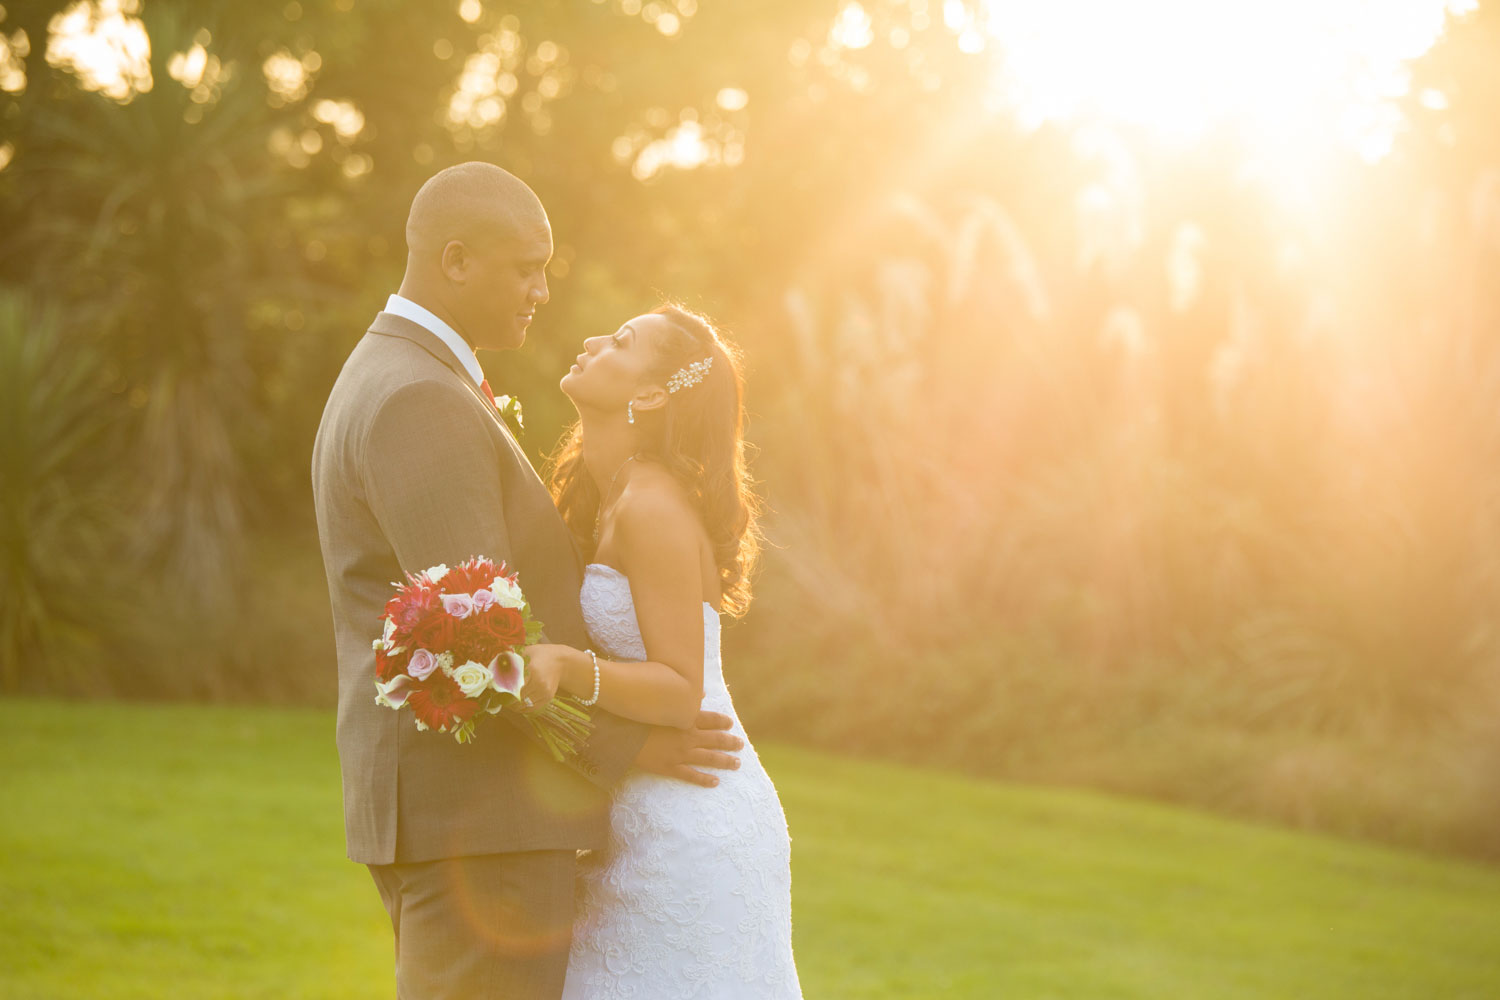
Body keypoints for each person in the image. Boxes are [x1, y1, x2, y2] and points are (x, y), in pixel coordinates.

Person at [310, 162, 742, 1000]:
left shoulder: (405, 375)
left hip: (467, 819)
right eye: (526, 267)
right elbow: (482, 649)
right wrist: (639, 750)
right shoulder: (419, 398)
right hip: (484, 823)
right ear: (457, 259)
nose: (542, 291)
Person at [520, 304, 803, 998]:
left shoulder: (652, 504)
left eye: (619, 342)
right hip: (641, 816)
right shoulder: (605, 490)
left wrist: (565, 668)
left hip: (694, 824)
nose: (591, 342)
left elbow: (681, 688)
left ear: (649, 396)